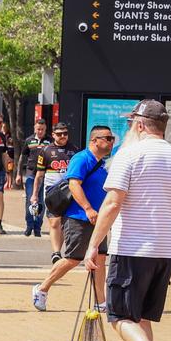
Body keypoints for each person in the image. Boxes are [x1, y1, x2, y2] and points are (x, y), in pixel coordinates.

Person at [83, 100, 171, 341]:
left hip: (132, 248)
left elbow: (112, 204)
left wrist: (93, 244)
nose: (126, 130)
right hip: (165, 251)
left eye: (129, 124)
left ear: (139, 125)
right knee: (141, 318)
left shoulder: (130, 154)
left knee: (120, 316)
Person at [31, 126, 114, 313]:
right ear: (94, 140)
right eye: (107, 138)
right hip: (79, 217)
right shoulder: (82, 158)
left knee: (100, 259)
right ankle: (42, 288)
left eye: (112, 139)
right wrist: (88, 209)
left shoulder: (101, 163)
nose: (111, 142)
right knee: (73, 259)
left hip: (98, 220)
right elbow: (74, 184)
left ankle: (101, 302)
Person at [33, 124, 77, 263]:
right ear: (53, 135)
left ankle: (58, 250)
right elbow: (39, 175)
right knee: (54, 222)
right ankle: (56, 252)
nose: (63, 136)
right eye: (59, 134)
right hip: (52, 190)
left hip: (69, 190)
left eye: (65, 133)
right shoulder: (45, 151)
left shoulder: (74, 150)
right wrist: (34, 195)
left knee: (63, 222)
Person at [19, 119, 52, 237]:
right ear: (34, 128)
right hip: (31, 174)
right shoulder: (29, 140)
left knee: (41, 200)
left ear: (45, 129)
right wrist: (18, 174)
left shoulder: (50, 141)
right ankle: (29, 225)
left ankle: (37, 227)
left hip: (44, 174)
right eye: (38, 129)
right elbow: (22, 158)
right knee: (30, 199)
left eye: (42, 129)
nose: (40, 131)